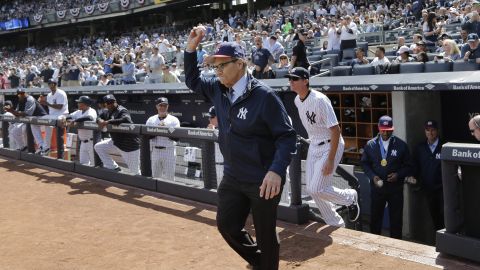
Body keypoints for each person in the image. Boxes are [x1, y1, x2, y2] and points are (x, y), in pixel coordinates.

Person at [184, 27, 297, 270]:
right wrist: (190, 50)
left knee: (265, 235)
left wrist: (276, 170)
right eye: (215, 66)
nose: (218, 70)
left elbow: (287, 137)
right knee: (227, 225)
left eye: (223, 65)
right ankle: (261, 263)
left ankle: (266, 263)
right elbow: (192, 80)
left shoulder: (264, 96)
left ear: (241, 64)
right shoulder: (217, 87)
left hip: (263, 179)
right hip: (234, 175)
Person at [286, 67, 359, 227]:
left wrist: (331, 159)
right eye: (290, 78)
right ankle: (336, 222)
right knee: (313, 190)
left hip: (330, 143)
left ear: (305, 81)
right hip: (314, 144)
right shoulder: (297, 100)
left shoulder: (320, 100)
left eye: (295, 78)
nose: (291, 81)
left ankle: (350, 197)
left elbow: (335, 130)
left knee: (317, 188)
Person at [360, 116, 412, 239]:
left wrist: (398, 175)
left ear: (392, 129)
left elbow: (409, 166)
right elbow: (365, 163)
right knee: (376, 218)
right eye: (383, 130)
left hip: (395, 189)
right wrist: (373, 176)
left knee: (396, 219)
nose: (385, 133)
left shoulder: (401, 145)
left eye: (388, 130)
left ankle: (397, 245)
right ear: (379, 128)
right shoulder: (370, 145)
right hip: (377, 189)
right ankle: (375, 243)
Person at [94, 94, 141, 175]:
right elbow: (98, 117)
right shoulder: (106, 112)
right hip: (116, 142)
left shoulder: (122, 110)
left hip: (129, 146)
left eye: (112, 102)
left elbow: (126, 119)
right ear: (105, 104)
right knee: (99, 147)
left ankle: (142, 186)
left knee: (135, 172)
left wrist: (108, 122)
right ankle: (114, 167)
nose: (110, 104)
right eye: (108, 103)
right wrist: (100, 120)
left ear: (115, 101)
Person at [410, 120, 444, 231]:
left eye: (433, 130)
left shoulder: (444, 146)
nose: (430, 133)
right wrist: (413, 177)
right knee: (435, 217)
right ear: (425, 131)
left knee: (445, 217)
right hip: (428, 190)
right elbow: (415, 166)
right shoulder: (420, 148)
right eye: (427, 130)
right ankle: (439, 242)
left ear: (437, 131)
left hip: (443, 190)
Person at [145, 97, 180, 180]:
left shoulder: (174, 120)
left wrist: (165, 130)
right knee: (155, 177)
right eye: (160, 105)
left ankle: (170, 192)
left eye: (165, 105)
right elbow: (146, 136)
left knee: (170, 177)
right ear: (157, 106)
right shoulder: (151, 120)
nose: (162, 107)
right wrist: (157, 129)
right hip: (155, 151)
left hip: (169, 150)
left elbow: (177, 138)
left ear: (167, 106)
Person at [36, 78, 69, 156]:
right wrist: (41, 102)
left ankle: (46, 147)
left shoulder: (61, 93)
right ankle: (41, 145)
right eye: (49, 84)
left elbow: (60, 107)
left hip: (62, 115)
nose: (50, 85)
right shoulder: (49, 94)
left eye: (52, 84)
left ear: (55, 84)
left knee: (49, 125)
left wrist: (46, 103)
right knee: (34, 122)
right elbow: (47, 104)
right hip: (52, 116)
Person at [65, 96, 98, 166]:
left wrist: (75, 120)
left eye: (80, 103)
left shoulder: (92, 111)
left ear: (85, 104)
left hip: (92, 142)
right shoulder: (79, 112)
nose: (78, 104)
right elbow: (69, 116)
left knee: (94, 164)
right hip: (83, 143)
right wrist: (66, 119)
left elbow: (89, 117)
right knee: (83, 164)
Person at [206, 106, 224, 186]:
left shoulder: (227, 127)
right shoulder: (213, 128)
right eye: (209, 117)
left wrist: (213, 132)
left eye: (212, 117)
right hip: (218, 164)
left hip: (227, 166)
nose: (209, 119)